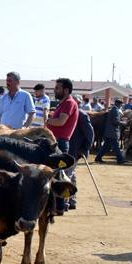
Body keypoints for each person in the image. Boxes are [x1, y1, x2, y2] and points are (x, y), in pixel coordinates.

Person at [46, 78, 80, 213]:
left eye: (58, 88)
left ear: (66, 90)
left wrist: (48, 120)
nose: (55, 90)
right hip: (57, 142)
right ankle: (58, 205)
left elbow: (61, 122)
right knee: (57, 175)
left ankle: (60, 206)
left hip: (60, 142)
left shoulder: (69, 103)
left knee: (59, 175)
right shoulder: (63, 103)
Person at [67, 107, 95, 210]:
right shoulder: (67, 111)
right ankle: (72, 200)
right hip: (68, 149)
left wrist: (85, 149)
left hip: (75, 150)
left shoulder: (81, 115)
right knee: (71, 174)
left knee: (67, 174)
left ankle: (65, 202)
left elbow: (90, 133)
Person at [94, 99, 127, 164]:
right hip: (113, 132)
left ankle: (98, 158)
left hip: (109, 132)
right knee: (116, 146)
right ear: (118, 104)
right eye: (121, 105)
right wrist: (123, 123)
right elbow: (115, 122)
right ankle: (120, 159)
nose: (121, 106)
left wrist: (121, 120)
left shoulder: (113, 110)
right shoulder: (116, 111)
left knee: (105, 146)